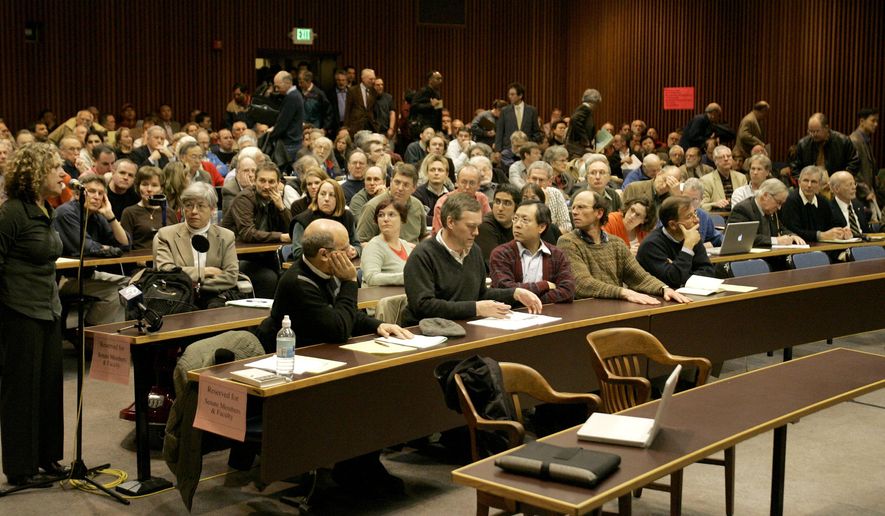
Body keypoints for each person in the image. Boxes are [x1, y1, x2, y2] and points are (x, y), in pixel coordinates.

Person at [254, 218, 412, 493]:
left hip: (327, 357)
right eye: (345, 247)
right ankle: (353, 468)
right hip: (297, 371)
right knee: (363, 391)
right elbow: (338, 328)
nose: (352, 252)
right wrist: (351, 282)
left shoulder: (325, 272)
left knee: (382, 380)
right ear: (325, 254)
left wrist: (377, 325)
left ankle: (361, 465)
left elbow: (347, 316)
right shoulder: (298, 282)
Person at [0, 142, 68, 486]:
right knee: (21, 391)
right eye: (55, 167)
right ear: (36, 173)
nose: (62, 173)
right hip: (19, 311)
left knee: (49, 388)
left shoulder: (46, 209)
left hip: (48, 309)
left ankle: (47, 457)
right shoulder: (11, 212)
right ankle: (20, 467)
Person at [403, 193, 542, 325]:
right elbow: (423, 306)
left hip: (464, 326)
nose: (476, 232)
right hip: (425, 333)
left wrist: (514, 293)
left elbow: (480, 293)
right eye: (471, 226)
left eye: (477, 226)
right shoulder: (422, 255)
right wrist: (475, 308)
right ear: (450, 222)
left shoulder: (474, 250)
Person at [558, 190, 691, 305]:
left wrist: (663, 288)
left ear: (599, 213)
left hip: (615, 308)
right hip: (586, 312)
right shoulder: (568, 242)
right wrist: (624, 292)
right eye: (574, 207)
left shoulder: (616, 243)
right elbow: (582, 284)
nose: (574, 212)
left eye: (581, 207)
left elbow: (639, 276)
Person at [52, 173, 131, 325]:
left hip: (88, 275)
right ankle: (91, 335)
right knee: (115, 292)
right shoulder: (66, 213)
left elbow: (125, 245)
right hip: (65, 279)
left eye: (101, 193)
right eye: (91, 192)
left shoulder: (97, 215)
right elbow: (89, 248)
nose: (96, 197)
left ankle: (113, 334)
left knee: (131, 283)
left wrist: (111, 216)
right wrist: (110, 249)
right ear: (77, 194)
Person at [154, 182, 240, 309]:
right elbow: (166, 270)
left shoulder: (226, 237)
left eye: (200, 206)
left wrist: (193, 284)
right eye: (188, 205)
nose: (194, 211)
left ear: (212, 210)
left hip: (214, 295)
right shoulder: (167, 235)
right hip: (177, 296)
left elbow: (231, 276)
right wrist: (205, 271)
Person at [221, 162, 292, 297]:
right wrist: (280, 237)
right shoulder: (244, 199)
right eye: (262, 181)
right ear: (254, 180)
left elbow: (291, 231)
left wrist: (281, 208)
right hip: (237, 258)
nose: (266, 186)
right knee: (268, 278)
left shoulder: (275, 199)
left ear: (278, 183)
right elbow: (247, 233)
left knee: (290, 275)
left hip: (264, 256)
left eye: (271, 182)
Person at [489, 200, 575, 304]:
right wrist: (545, 285)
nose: (517, 225)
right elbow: (505, 290)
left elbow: (568, 291)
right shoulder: (501, 254)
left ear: (541, 227)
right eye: (515, 219)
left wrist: (532, 302)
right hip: (510, 316)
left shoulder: (557, 254)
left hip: (548, 315)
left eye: (525, 220)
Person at [637, 196, 715, 288]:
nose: (696, 220)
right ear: (673, 225)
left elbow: (708, 271)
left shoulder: (692, 236)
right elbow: (673, 280)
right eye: (689, 216)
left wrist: (681, 273)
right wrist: (687, 247)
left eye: (695, 213)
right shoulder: (650, 246)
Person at [290, 179, 360, 262]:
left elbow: (356, 244)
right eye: (322, 194)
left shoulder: (347, 216)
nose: (326, 199)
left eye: (332, 195)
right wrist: (332, 255)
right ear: (317, 197)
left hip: (342, 265)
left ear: (339, 199)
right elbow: (298, 252)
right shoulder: (302, 220)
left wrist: (354, 251)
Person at [729, 178, 806, 247]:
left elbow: (781, 229)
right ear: (765, 195)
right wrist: (776, 240)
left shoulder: (770, 211)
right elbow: (743, 237)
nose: (779, 208)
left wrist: (792, 236)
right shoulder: (742, 209)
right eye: (778, 202)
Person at [780, 166, 846, 242]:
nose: (809, 185)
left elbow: (836, 222)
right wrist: (820, 235)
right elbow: (793, 231)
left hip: (822, 247)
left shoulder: (822, 201)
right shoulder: (791, 200)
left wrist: (842, 231)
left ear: (820, 185)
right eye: (805, 181)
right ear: (799, 182)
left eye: (813, 182)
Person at [787, 113, 859, 181]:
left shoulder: (843, 141)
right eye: (810, 131)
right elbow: (795, 167)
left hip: (837, 185)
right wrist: (803, 181)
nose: (813, 135)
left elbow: (854, 162)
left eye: (816, 131)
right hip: (811, 185)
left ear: (826, 128)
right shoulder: (803, 144)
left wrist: (842, 179)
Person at [361, 199, 415, 286]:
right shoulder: (373, 246)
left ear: (402, 219)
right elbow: (371, 278)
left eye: (391, 215)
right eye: (381, 215)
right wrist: (407, 277)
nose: (385, 219)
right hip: (378, 298)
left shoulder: (405, 245)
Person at [431, 164, 491, 233]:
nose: (467, 187)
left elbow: (488, 226)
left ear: (478, 185)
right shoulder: (443, 202)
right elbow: (439, 233)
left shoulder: (482, 199)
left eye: (472, 183)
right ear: (457, 182)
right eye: (464, 182)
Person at [121, 166, 166, 249]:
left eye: (154, 185)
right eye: (144, 184)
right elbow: (126, 247)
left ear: (161, 189)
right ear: (138, 187)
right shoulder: (129, 212)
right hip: (139, 260)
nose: (149, 189)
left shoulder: (169, 212)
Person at [525, 161, 572, 232]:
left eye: (541, 180)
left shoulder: (556, 194)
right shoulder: (521, 195)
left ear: (549, 181)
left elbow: (566, 225)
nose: (537, 183)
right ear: (527, 179)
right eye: (534, 179)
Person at [269, 71, 305, 162]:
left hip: (289, 142)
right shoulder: (295, 95)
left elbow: (283, 122)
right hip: (294, 141)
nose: (276, 90)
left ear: (288, 83)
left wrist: (271, 135)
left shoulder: (292, 97)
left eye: (278, 86)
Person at [700, 145, 748, 211]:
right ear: (715, 161)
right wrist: (715, 204)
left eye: (728, 156)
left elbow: (748, 202)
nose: (726, 159)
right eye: (722, 157)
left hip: (739, 216)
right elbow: (702, 206)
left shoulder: (741, 178)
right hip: (719, 217)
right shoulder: (706, 180)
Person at [496, 82, 541, 150]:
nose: (510, 96)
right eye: (509, 94)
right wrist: (498, 150)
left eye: (512, 94)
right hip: (508, 148)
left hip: (527, 148)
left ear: (520, 96)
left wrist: (529, 142)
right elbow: (499, 132)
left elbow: (536, 132)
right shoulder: (505, 111)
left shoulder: (532, 110)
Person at [829, 170, 870, 236]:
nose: (854, 187)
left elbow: (867, 231)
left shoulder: (858, 205)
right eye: (849, 184)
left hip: (864, 243)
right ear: (836, 189)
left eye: (854, 184)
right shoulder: (829, 209)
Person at [849, 108, 879, 194]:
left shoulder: (865, 140)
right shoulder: (854, 141)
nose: (876, 124)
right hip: (860, 194)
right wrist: (866, 193)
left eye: (877, 121)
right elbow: (854, 172)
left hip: (868, 192)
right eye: (873, 121)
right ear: (862, 121)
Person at [565, 89, 601, 158]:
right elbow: (575, 120)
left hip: (577, 148)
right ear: (594, 102)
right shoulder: (585, 109)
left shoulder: (582, 109)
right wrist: (585, 141)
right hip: (577, 149)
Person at [409, 71, 444, 135]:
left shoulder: (437, 93)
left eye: (441, 79)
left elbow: (438, 111)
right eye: (438, 79)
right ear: (430, 80)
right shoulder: (423, 91)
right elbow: (414, 106)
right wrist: (430, 105)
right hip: (423, 126)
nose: (440, 81)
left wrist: (439, 128)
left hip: (434, 126)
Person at [344, 68, 376, 135]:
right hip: (355, 127)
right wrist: (346, 127)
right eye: (371, 79)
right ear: (363, 78)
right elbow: (348, 110)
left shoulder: (374, 92)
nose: (373, 81)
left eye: (374, 79)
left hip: (370, 127)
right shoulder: (352, 90)